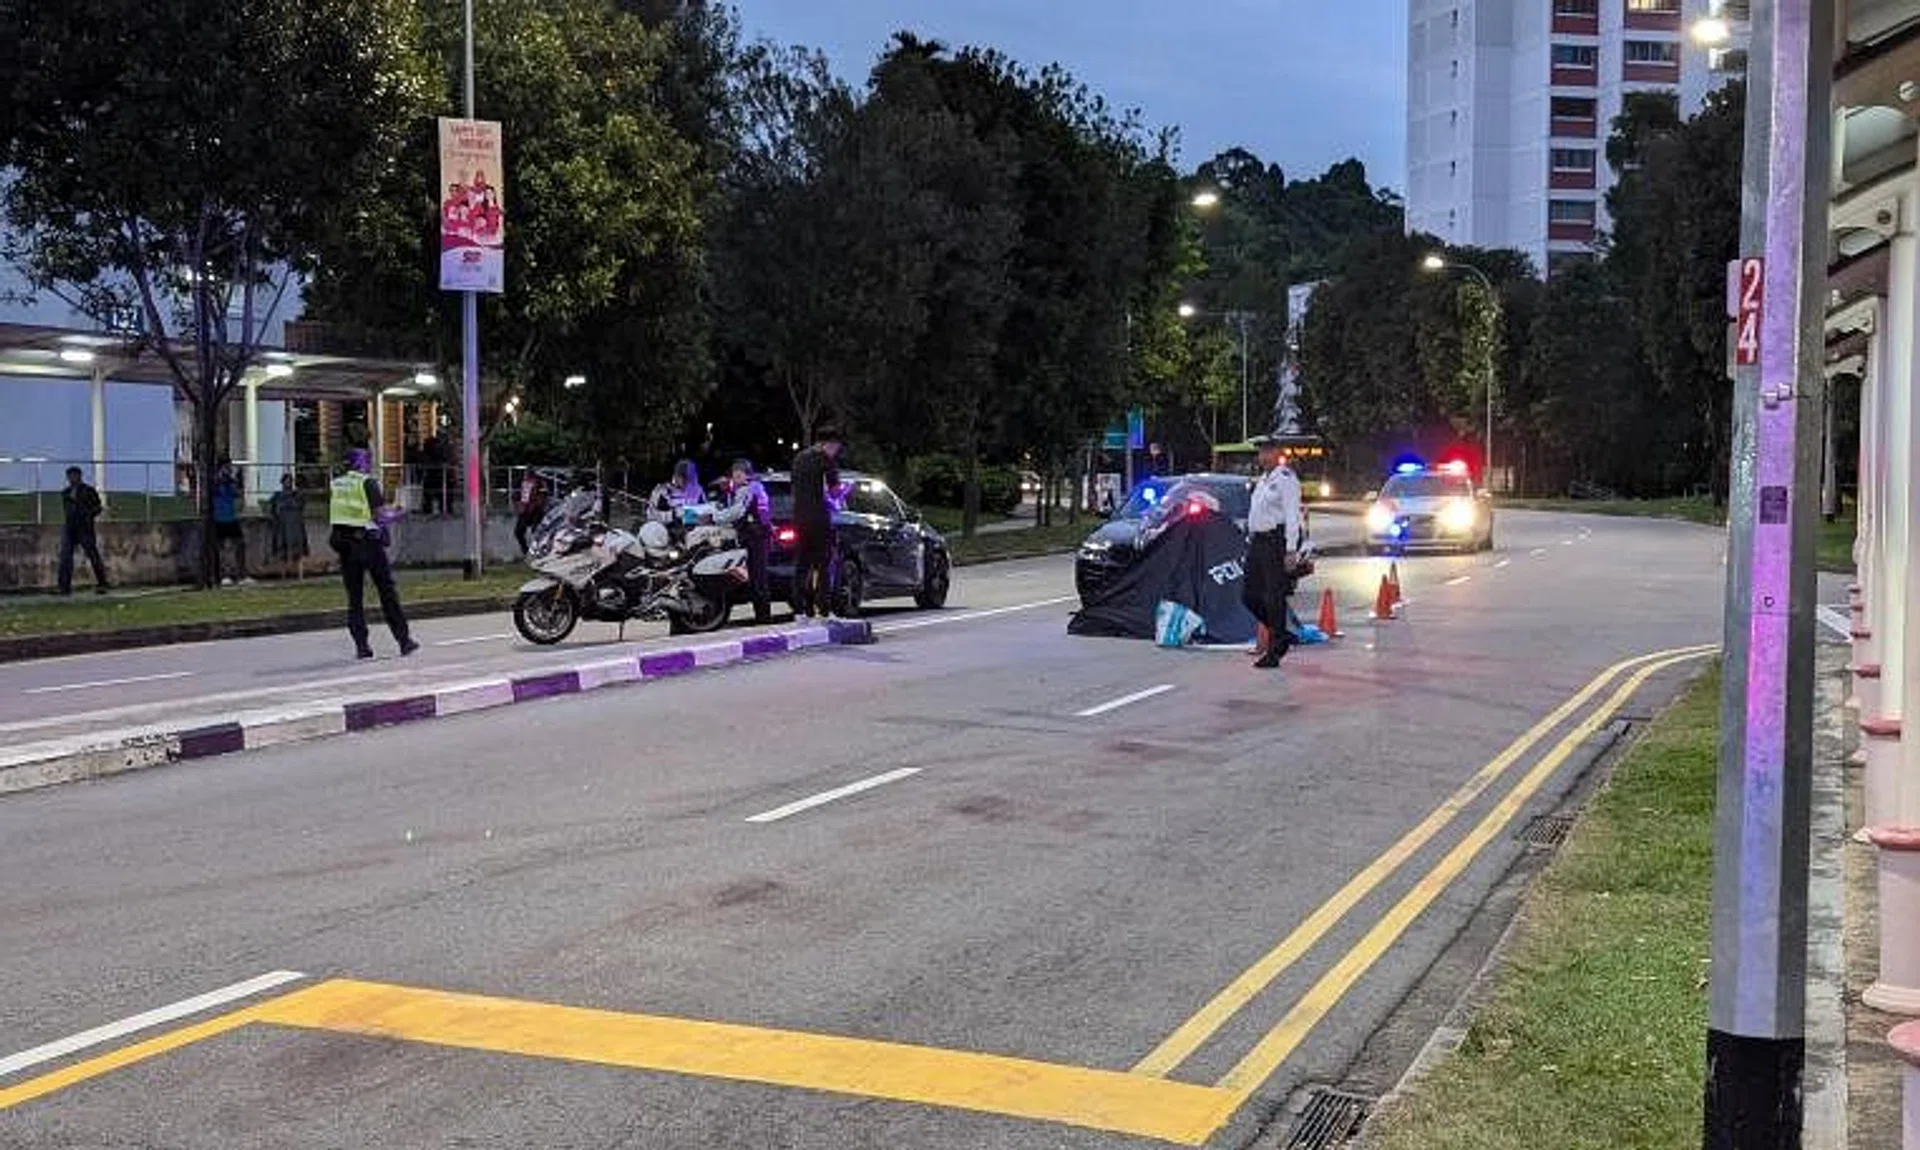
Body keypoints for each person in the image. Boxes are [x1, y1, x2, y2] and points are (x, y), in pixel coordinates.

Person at [329, 448, 417, 660]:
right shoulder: (367, 483)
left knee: (355, 597)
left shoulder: (337, 483)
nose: (369, 464)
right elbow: (380, 517)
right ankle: (404, 640)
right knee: (386, 591)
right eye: (367, 461)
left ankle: (362, 646)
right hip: (367, 542)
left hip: (344, 544)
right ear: (361, 463)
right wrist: (399, 513)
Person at [1243, 435, 1305, 670]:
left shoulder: (1286, 479)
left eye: (1267, 452)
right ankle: (1281, 634)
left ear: (1277, 452)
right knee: (1248, 595)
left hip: (1274, 541)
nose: (1263, 457)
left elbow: (1292, 515)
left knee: (1273, 596)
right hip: (1258, 542)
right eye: (1260, 452)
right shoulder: (1263, 480)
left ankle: (1275, 650)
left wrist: (1291, 549)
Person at [789, 428, 843, 620]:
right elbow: (835, 491)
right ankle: (824, 610)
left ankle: (800, 610)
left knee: (802, 564)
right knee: (823, 564)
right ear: (830, 444)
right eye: (836, 447)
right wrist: (844, 490)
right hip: (819, 518)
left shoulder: (799, 459)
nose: (836, 451)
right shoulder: (826, 460)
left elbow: (794, 487)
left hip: (799, 517)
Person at [712, 458, 773, 625]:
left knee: (758, 579)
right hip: (754, 536)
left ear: (746, 474)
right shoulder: (747, 488)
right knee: (754, 578)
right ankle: (761, 617)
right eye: (734, 473)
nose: (736, 477)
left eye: (739, 473)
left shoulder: (749, 488)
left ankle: (763, 619)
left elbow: (737, 512)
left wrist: (714, 517)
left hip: (757, 537)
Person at [57, 466, 108, 596]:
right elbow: (67, 510)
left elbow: (98, 508)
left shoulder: (89, 491)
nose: (71, 478)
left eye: (74, 475)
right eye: (69, 476)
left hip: (85, 528)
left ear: (79, 476)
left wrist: (87, 515)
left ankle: (102, 583)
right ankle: (64, 587)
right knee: (65, 558)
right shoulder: (65, 492)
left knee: (93, 555)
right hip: (70, 528)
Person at [211, 458, 246, 585]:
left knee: (240, 545)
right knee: (221, 548)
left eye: (229, 467)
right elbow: (212, 491)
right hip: (219, 518)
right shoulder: (215, 481)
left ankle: (241, 575)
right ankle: (223, 575)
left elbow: (237, 493)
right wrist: (220, 480)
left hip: (231, 517)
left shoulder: (230, 481)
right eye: (227, 467)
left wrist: (239, 480)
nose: (229, 469)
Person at [268, 473, 309, 579]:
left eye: (290, 481)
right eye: (286, 481)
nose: (288, 483)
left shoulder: (298, 495)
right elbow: (273, 511)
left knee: (298, 550)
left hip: (296, 526)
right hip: (282, 526)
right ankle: (283, 575)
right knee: (282, 550)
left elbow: (302, 507)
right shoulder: (277, 496)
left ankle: (300, 575)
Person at [647, 460, 701, 527]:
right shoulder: (662, 491)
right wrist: (674, 514)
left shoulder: (696, 492)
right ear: (677, 476)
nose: (688, 482)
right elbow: (652, 515)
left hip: (693, 531)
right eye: (685, 478)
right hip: (667, 530)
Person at [514, 471, 548, 555]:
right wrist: (518, 504)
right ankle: (525, 551)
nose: (526, 476)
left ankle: (538, 551)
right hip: (525, 511)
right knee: (518, 532)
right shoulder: (522, 482)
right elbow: (517, 495)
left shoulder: (540, 482)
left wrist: (538, 505)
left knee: (536, 532)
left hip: (536, 511)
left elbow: (543, 496)